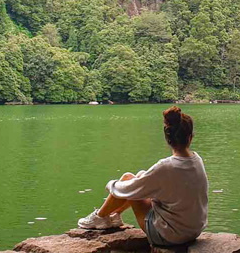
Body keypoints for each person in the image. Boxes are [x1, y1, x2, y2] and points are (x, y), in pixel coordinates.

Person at [77, 106, 209, 247]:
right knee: (140, 175)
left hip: (169, 236)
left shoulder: (166, 166)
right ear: (190, 137)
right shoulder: (197, 159)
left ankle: (100, 217)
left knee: (128, 180)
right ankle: (114, 216)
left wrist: (111, 185)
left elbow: (128, 189)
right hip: (194, 230)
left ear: (167, 137)